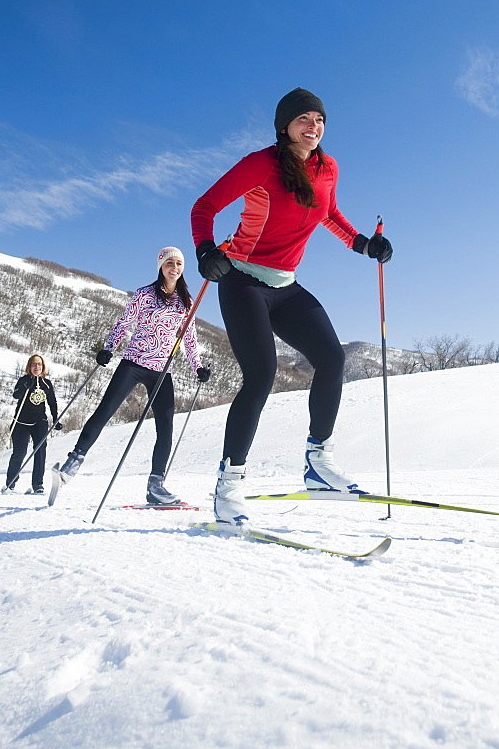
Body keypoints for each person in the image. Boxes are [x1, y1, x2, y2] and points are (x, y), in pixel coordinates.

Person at [191, 87, 392, 526]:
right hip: (242, 280)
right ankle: (229, 486)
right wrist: (207, 251)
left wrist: (363, 244)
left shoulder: (327, 167)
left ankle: (319, 463)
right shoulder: (260, 164)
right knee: (260, 376)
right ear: (284, 126)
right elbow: (204, 206)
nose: (313, 126)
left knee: (332, 357)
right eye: (304, 119)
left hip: (286, 285)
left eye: (319, 120)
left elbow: (328, 214)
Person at [55, 247, 211, 505]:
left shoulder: (186, 302)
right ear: (161, 266)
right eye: (170, 262)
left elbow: (189, 339)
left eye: (179, 263)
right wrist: (108, 349)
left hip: (162, 370)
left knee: (165, 427)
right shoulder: (144, 294)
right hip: (134, 363)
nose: (175, 267)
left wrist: (198, 367)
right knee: (104, 411)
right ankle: (69, 468)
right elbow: (123, 324)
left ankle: (156, 486)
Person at [5, 354, 59, 494]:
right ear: (29, 367)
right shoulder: (23, 380)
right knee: (20, 452)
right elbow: (16, 395)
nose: (37, 367)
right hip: (21, 422)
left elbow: (52, 402)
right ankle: (10, 483)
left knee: (40, 451)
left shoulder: (46, 383)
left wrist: (55, 419)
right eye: (34, 364)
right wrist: (24, 387)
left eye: (39, 365)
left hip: (39, 421)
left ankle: (38, 485)